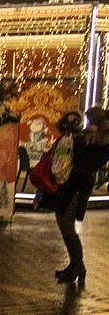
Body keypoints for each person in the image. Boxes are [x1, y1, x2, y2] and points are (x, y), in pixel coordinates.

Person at [47, 107, 109, 285]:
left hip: (78, 186)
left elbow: (86, 159)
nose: (88, 125)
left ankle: (77, 265)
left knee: (66, 223)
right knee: (63, 222)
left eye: (91, 122)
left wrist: (78, 140)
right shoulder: (87, 138)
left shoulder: (101, 142)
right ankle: (75, 264)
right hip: (71, 183)